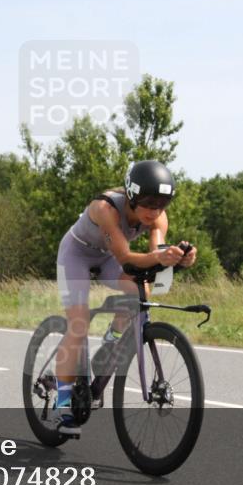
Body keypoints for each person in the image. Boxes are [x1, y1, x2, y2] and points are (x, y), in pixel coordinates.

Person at [53, 161, 197, 434]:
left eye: (162, 204)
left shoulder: (158, 218)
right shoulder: (105, 208)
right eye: (149, 202)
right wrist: (158, 257)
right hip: (77, 254)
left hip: (106, 257)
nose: (154, 210)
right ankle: (62, 404)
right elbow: (126, 257)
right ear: (131, 196)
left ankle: (110, 344)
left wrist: (179, 259)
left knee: (140, 290)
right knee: (78, 324)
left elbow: (156, 257)